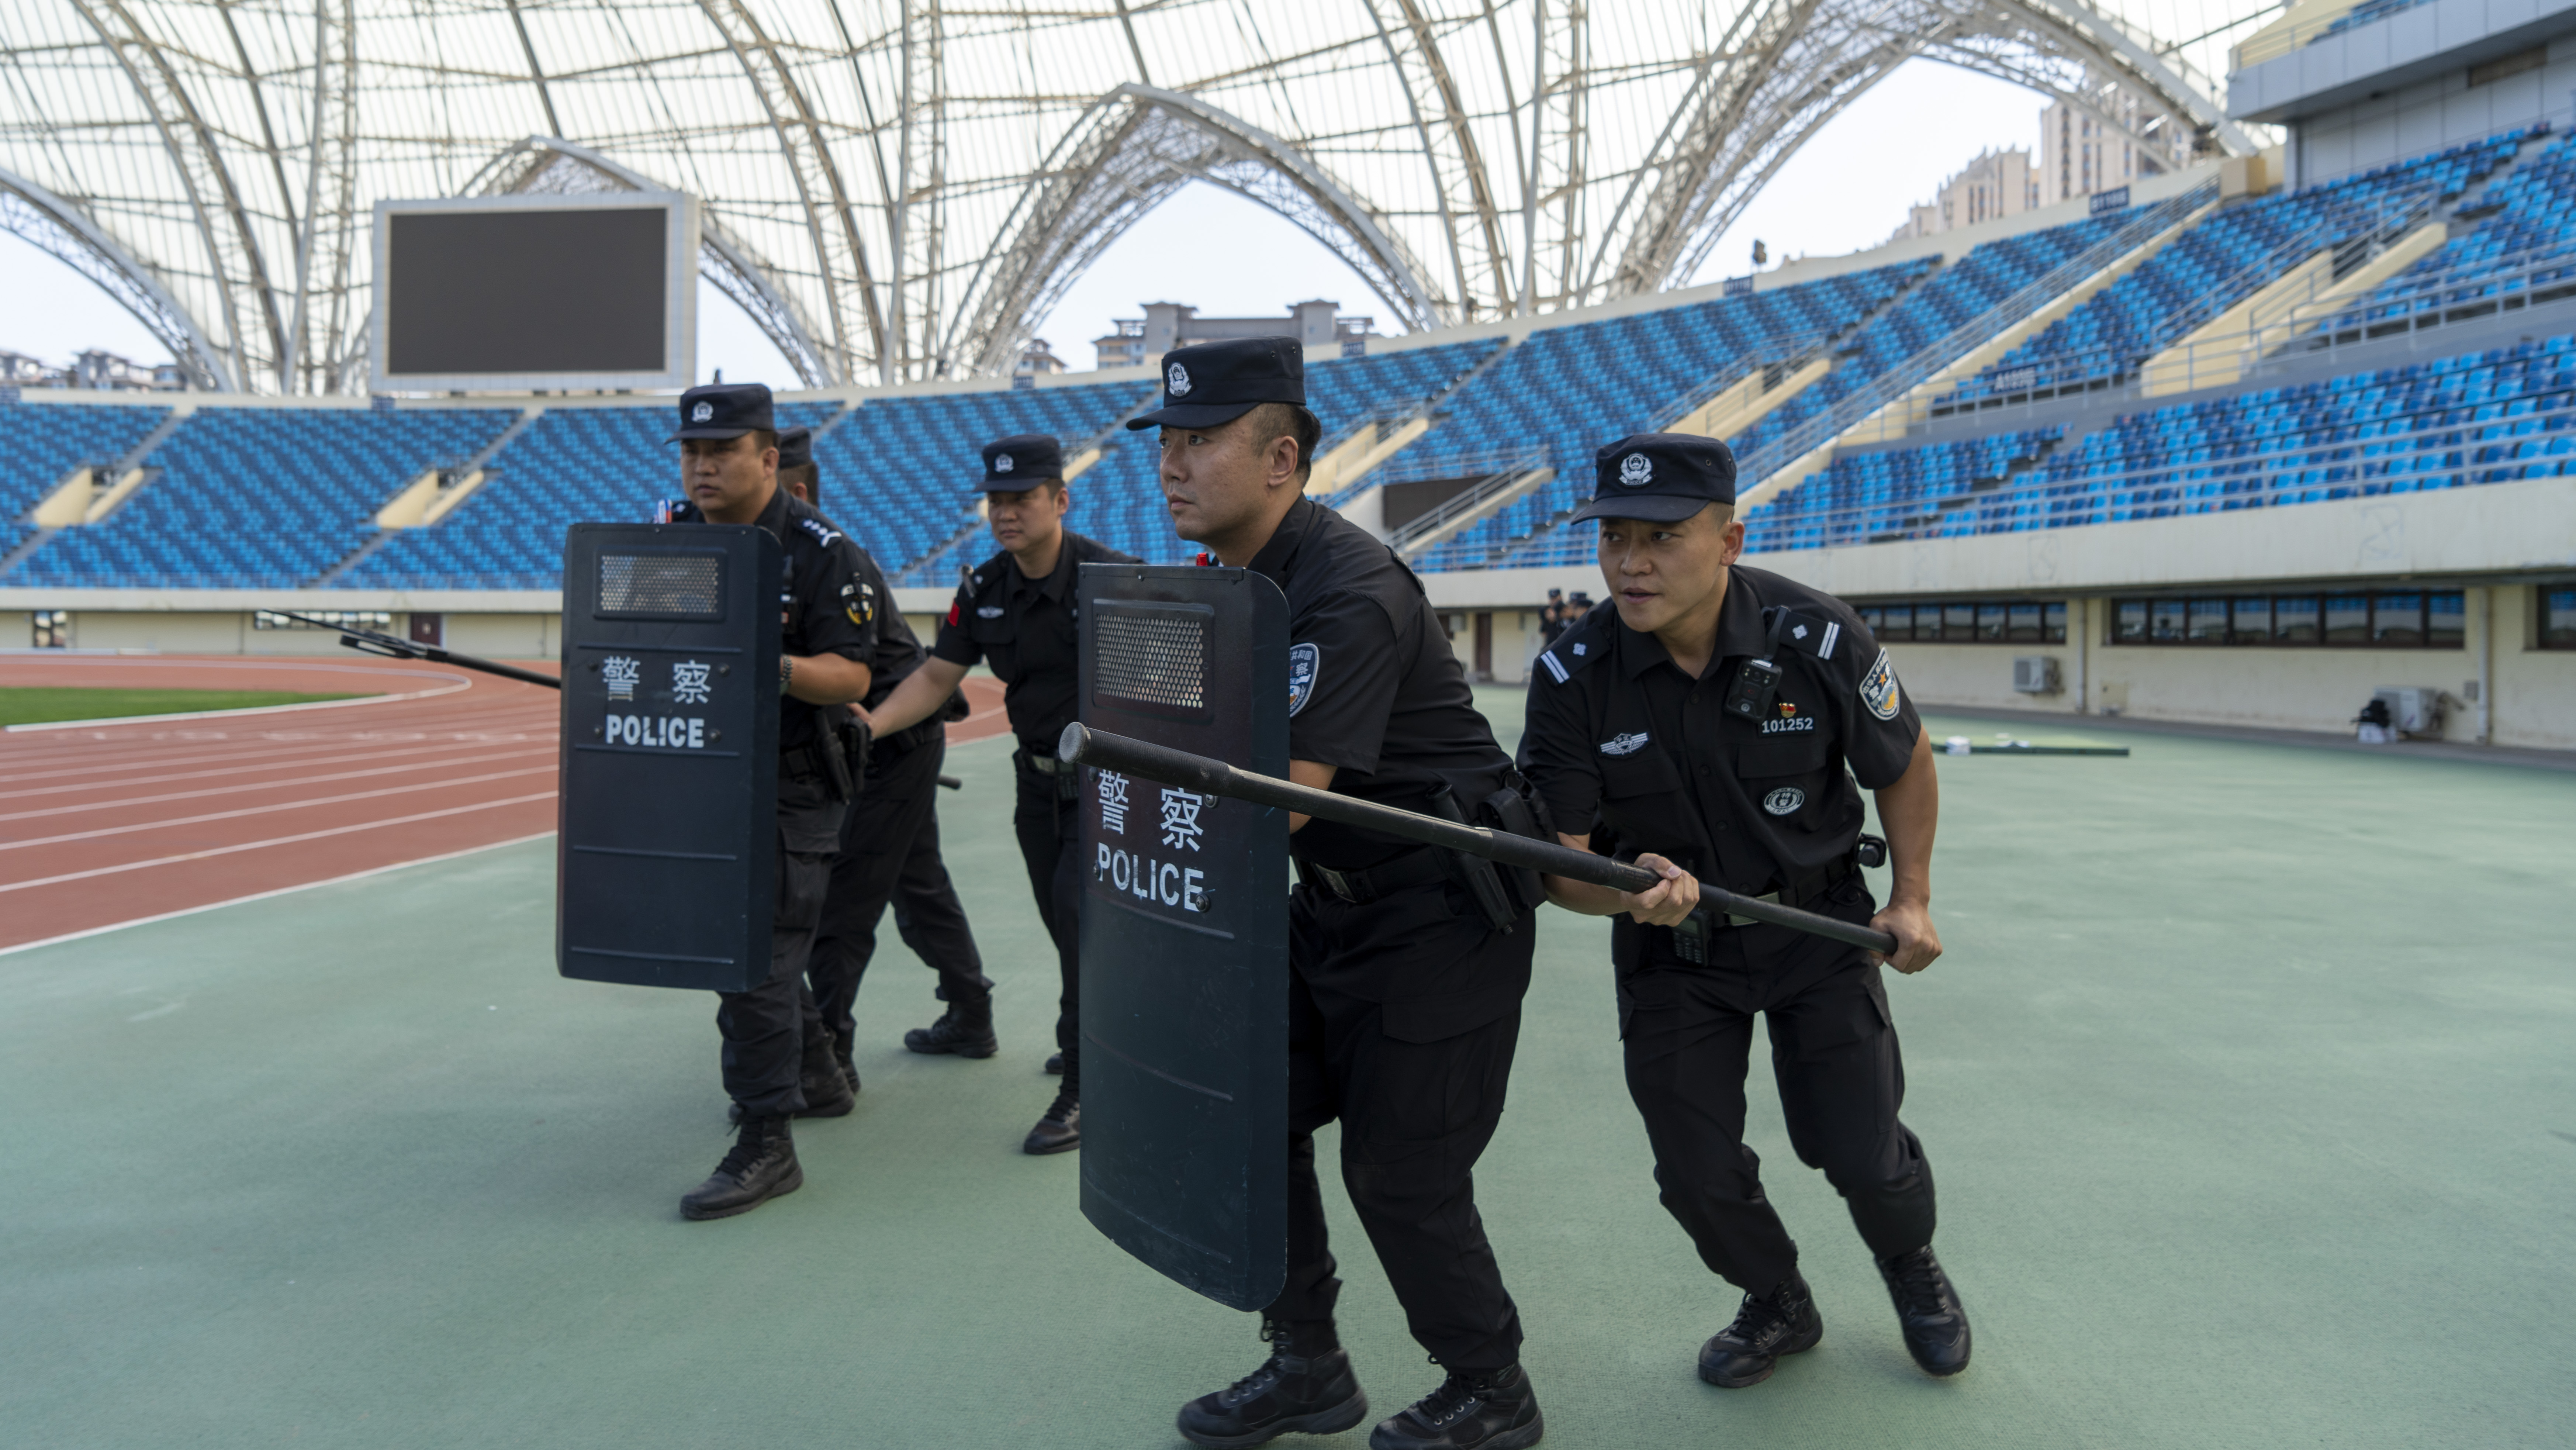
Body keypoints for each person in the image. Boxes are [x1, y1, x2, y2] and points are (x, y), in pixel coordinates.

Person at [1138, 338, 1544, 1450]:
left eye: (1200, 441)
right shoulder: (1243, 582)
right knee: (1248, 1107)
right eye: (1166, 442)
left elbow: (1280, 804)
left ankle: (1492, 1388)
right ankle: (1307, 1363)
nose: (1171, 464)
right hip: (1332, 900)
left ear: (1281, 460)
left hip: (1442, 915)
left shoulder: (1347, 589)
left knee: (1400, 1172)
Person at [1514, 432, 1969, 1389]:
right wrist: (1626, 889)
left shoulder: (1820, 638)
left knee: (1860, 1149)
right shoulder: (1572, 675)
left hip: (1818, 930)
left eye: (1661, 537)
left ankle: (1910, 1265)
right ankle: (1778, 1299)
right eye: (1614, 538)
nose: (1631, 563)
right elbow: (1561, 865)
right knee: (1695, 1170)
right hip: (1675, 949)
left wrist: (1913, 898)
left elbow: (1904, 760)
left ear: (1728, 541)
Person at [856, 433, 1138, 1155]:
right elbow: (936, 677)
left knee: (1080, 922)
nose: (1006, 513)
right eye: (997, 501)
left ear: (1060, 501)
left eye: (1023, 499)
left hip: (1106, 788)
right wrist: (872, 725)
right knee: (1063, 924)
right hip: (1035, 783)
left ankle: (1087, 1084)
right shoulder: (983, 589)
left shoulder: (1114, 581)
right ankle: (1106, 1040)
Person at [657, 383, 874, 1221]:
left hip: (795, 781)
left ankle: (766, 1141)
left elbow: (852, 674)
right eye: (692, 452)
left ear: (769, 459)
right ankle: (818, 1078)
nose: (702, 467)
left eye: (722, 452)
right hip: (708, 773)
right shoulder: (673, 537)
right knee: (742, 950)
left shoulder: (822, 551)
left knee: (754, 960)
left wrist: (769, 664)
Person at [771, 425, 997, 1098]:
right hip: (877, 743)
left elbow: (848, 673)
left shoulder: (825, 556)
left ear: (795, 488)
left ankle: (829, 1056)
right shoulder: (779, 553)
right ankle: (971, 1011)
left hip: (889, 743)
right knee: (918, 881)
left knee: (843, 902)